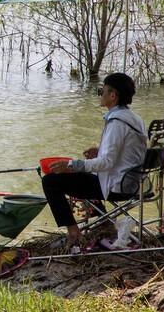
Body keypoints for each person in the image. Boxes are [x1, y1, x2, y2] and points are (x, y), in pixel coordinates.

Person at [40, 72, 147, 252]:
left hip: (117, 186)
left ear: (112, 95)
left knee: (51, 182)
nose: (100, 94)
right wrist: (99, 151)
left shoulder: (117, 122)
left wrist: (72, 165)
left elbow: (106, 163)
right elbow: (127, 152)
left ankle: (73, 232)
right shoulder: (134, 118)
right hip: (133, 182)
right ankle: (104, 221)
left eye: (101, 91)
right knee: (82, 175)